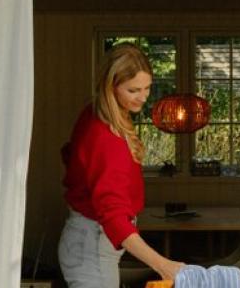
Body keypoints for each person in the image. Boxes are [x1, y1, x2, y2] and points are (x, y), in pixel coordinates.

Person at [59, 43, 185, 287]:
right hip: (92, 248)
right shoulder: (105, 136)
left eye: (147, 88)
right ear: (111, 86)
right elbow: (113, 215)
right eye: (133, 90)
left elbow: (71, 156)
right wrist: (163, 265)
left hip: (88, 241)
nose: (143, 96)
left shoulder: (99, 113)